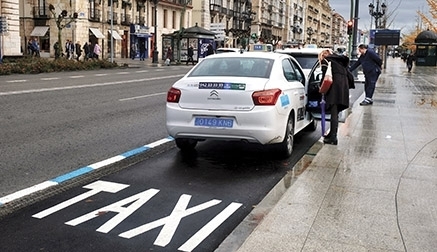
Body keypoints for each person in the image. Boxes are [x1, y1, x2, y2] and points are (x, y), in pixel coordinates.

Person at [318, 49, 355, 145]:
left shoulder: (326, 61)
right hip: (343, 86)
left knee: (334, 112)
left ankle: (333, 138)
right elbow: (349, 75)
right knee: (336, 112)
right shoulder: (340, 60)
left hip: (334, 87)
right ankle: (332, 133)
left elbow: (324, 76)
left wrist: (320, 88)